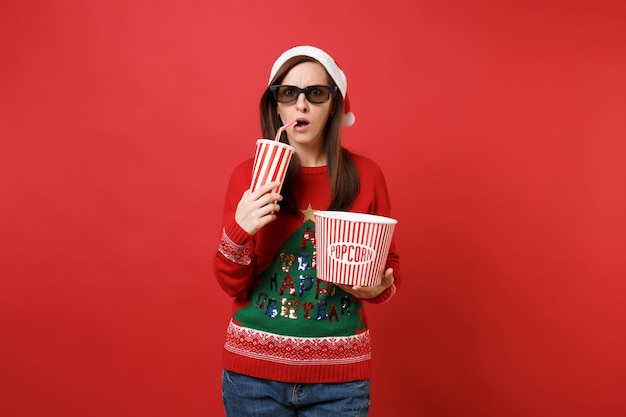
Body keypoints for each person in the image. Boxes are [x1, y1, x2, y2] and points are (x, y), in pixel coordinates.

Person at [213, 45, 401, 417]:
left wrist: (379, 287)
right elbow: (232, 284)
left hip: (340, 381)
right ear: (276, 106)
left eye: (315, 93)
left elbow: (389, 272)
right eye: (288, 93)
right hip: (253, 376)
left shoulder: (367, 176)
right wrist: (240, 229)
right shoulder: (247, 177)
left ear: (334, 104)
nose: (301, 105)